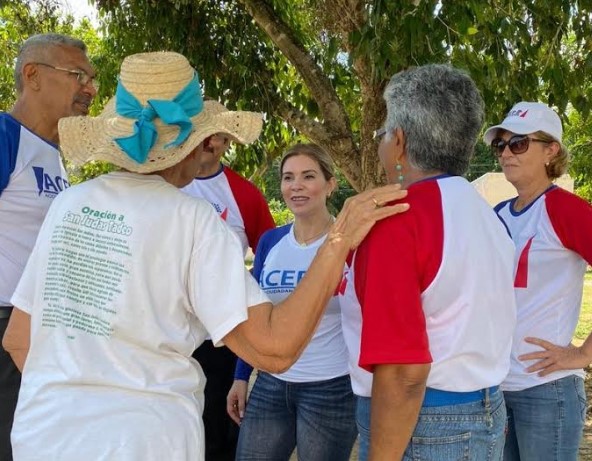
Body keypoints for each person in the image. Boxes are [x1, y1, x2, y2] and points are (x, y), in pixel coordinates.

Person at [1, 51, 409, 461]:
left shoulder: (68, 204)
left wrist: (77, 403)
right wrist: (338, 240)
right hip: (145, 443)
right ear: (188, 144)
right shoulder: (191, 219)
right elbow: (275, 347)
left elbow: (18, 338)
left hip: (44, 437)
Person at [339, 64, 517, 460]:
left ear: (399, 141)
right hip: (481, 411)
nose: (380, 142)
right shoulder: (486, 215)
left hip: (422, 424)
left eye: (383, 132)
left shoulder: (397, 219)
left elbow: (403, 374)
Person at [0, 32, 96, 461]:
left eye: (92, 78)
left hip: (39, 328)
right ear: (32, 75)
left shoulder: (55, 156)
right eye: (78, 75)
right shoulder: (5, 136)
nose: (90, 88)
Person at [228, 143, 357, 461]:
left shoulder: (353, 244)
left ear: (330, 184)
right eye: (288, 177)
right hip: (272, 383)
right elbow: (254, 313)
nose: (296, 185)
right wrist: (241, 377)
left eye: (308, 176)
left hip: (332, 387)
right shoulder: (270, 241)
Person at [483, 102, 592, 461]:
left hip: (548, 388)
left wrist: (582, 354)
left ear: (551, 150)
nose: (506, 153)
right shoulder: (497, 215)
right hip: (498, 387)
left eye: (519, 143)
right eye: (501, 145)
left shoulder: (566, 209)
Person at [180, 102, 275, 461]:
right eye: (200, 132)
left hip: (219, 338)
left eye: (216, 135)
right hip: (167, 336)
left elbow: (269, 253)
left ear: (225, 142)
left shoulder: (244, 193)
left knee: (219, 437)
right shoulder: (163, 184)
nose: (208, 141)